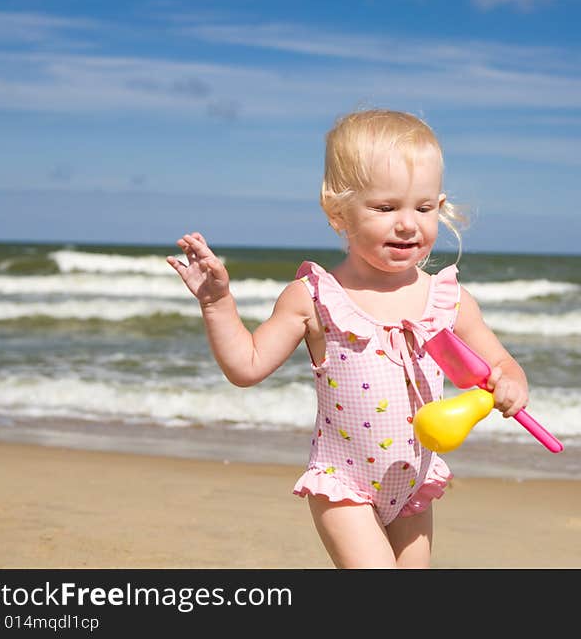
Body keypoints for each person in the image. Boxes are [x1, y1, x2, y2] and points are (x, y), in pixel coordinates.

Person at [166, 109, 531, 568]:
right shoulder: (315, 298)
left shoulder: (448, 300)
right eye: (385, 207)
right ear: (338, 211)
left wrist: (513, 385)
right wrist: (217, 303)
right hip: (345, 485)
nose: (407, 224)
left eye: (423, 208)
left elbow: (503, 365)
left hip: (414, 482)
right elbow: (247, 366)